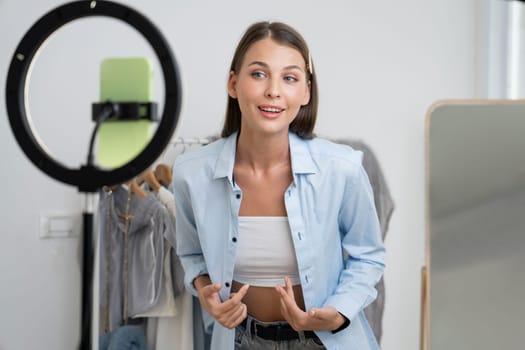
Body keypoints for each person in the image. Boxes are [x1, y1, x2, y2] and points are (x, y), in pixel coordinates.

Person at [171, 21, 385, 350]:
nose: (274, 90)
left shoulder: (342, 169)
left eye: (289, 78)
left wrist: (337, 313)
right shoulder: (191, 174)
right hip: (239, 340)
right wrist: (204, 290)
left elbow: (368, 257)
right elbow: (192, 254)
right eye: (259, 74)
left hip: (325, 342)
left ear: (306, 91)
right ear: (233, 83)